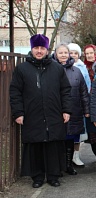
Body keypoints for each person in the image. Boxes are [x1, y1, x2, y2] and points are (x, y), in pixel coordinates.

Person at [9, 34, 72, 188]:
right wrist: (18, 113)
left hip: (54, 112)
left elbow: (65, 90)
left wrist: (66, 110)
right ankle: (37, 177)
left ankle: (53, 176)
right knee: (35, 146)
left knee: (53, 145)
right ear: (32, 49)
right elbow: (15, 91)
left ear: (47, 49)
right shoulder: (22, 69)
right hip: (32, 114)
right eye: (36, 48)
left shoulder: (57, 68)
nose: (39, 51)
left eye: (42, 48)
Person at [52, 44, 90, 175]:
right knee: (58, 139)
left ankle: (68, 165)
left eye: (65, 52)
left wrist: (86, 110)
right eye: (60, 52)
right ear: (56, 54)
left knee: (70, 138)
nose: (63, 55)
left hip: (74, 110)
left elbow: (83, 92)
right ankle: (58, 166)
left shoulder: (76, 71)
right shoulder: (51, 70)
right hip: (56, 110)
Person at [68, 42, 92, 166]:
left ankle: (76, 156)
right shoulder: (62, 67)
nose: (73, 55)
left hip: (78, 104)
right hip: (67, 104)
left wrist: (85, 106)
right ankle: (67, 157)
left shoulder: (82, 68)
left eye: (75, 53)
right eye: (70, 53)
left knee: (77, 133)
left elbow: (87, 87)